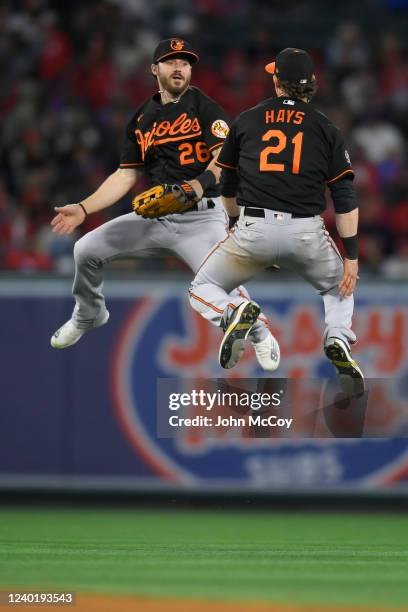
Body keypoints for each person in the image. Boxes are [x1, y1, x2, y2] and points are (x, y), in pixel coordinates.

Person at [50, 38, 280, 371]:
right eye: (171, 62)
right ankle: (89, 314)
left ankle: (260, 333)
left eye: (185, 63)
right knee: (85, 250)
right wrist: (84, 208)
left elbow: (224, 160)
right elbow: (125, 176)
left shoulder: (205, 107)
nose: (179, 68)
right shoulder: (142, 118)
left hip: (202, 219)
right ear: (154, 69)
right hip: (158, 217)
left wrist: (198, 184)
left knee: (222, 286)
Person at [188, 47, 364, 393]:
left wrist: (237, 223)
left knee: (202, 289)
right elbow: (344, 197)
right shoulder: (326, 128)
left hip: (255, 226)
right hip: (306, 232)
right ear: (311, 82)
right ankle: (338, 338)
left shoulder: (247, 120)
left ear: (276, 81)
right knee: (338, 287)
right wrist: (353, 257)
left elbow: (228, 183)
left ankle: (233, 312)